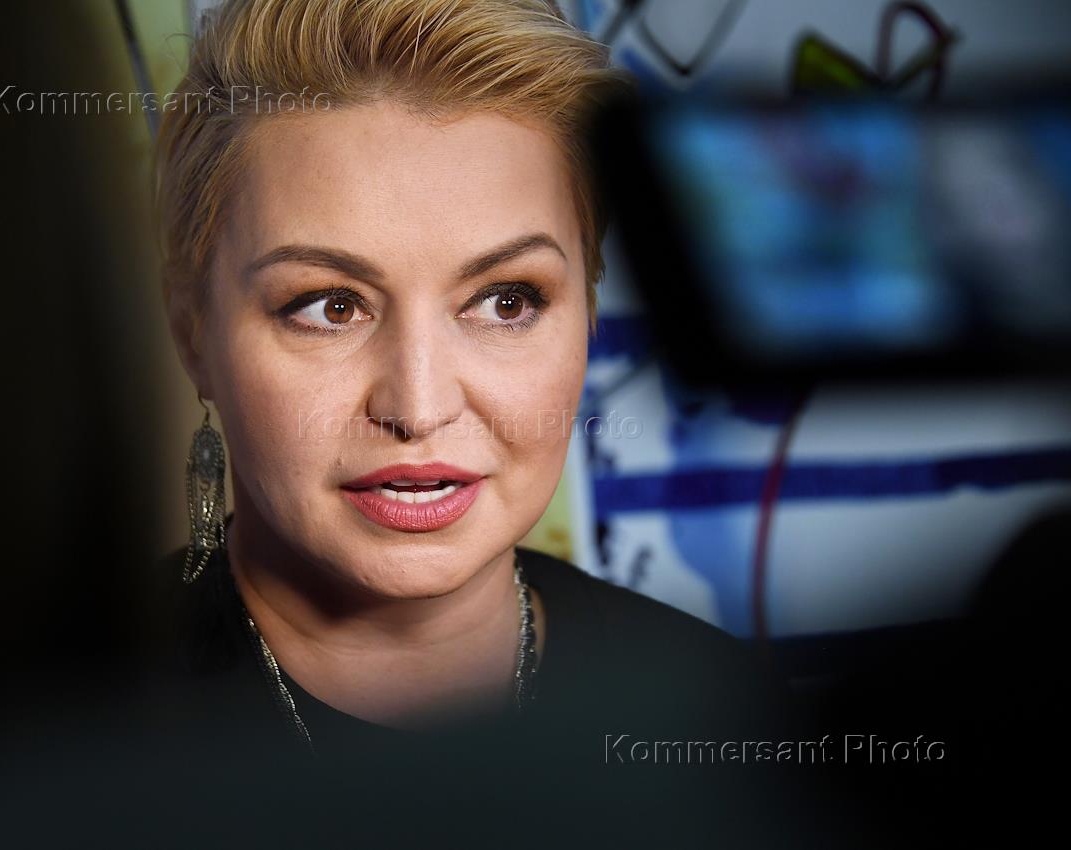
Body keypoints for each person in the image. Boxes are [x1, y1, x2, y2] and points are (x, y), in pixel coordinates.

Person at [147, 1, 834, 844]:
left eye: (507, 301)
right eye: (329, 306)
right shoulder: (44, 731)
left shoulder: (718, 713)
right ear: (194, 336)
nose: (419, 407)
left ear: (586, 314)